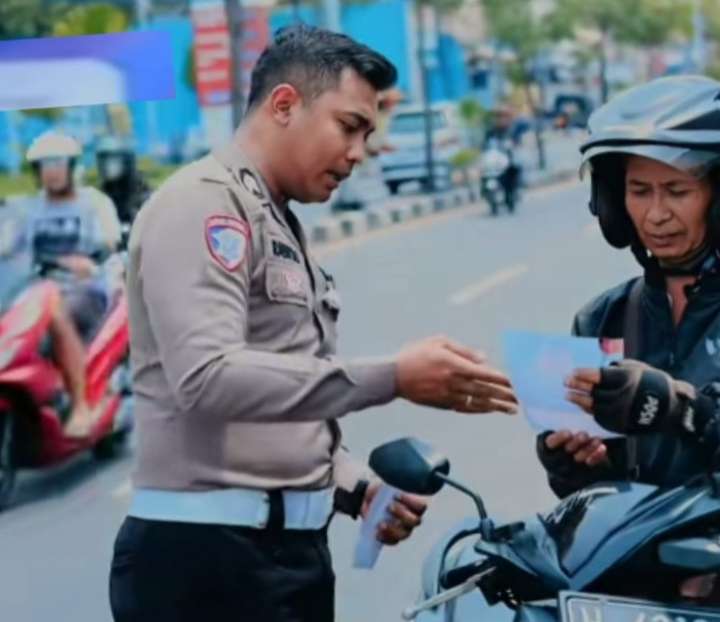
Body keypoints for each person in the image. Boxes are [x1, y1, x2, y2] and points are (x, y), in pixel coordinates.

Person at [109, 26, 517, 622]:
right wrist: (395, 377)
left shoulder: (274, 216)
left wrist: (355, 486)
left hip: (282, 556)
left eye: (367, 135)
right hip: (207, 564)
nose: (358, 152)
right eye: (348, 126)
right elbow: (208, 377)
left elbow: (281, 394)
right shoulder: (204, 204)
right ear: (284, 105)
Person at [536, 76, 720, 615]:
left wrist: (683, 408)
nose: (656, 215)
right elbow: (593, 496)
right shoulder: (603, 317)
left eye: (677, 192)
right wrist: (574, 462)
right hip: (634, 594)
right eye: (639, 191)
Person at [24, 130, 122, 438]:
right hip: (34, 290)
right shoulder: (28, 208)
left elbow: (109, 241)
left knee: (56, 316)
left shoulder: (94, 202)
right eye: (44, 165)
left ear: (71, 166)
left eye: (57, 163)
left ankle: (81, 405)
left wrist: (90, 259)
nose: (51, 171)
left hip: (84, 289)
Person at [95, 135, 150, 226]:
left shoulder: (143, 195)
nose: (104, 165)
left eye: (110, 159)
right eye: (102, 159)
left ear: (126, 160)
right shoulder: (100, 197)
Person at [483, 105, 523, 211]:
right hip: (494, 158)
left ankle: (512, 192)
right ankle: (485, 193)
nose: (500, 119)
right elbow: (485, 144)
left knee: (514, 169)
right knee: (484, 173)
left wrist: (513, 145)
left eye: (503, 117)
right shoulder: (491, 131)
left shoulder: (510, 130)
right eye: (498, 117)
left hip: (506, 158)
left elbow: (516, 142)